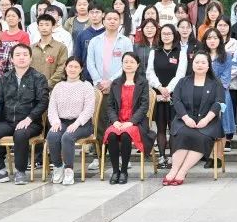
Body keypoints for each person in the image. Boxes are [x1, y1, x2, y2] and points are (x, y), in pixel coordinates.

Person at [0, 44, 50, 185]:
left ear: (30, 58)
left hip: (31, 123)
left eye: (25, 55)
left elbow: (43, 102)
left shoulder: (38, 78)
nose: (21, 57)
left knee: (20, 134)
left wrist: (29, 118)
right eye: (17, 55)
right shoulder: (5, 78)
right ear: (11, 59)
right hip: (8, 121)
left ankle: (20, 172)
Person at [165, 52, 225, 185]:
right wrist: (186, 118)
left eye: (203, 62)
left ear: (208, 66)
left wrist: (206, 119)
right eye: (197, 62)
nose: (200, 65)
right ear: (192, 64)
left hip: (208, 121)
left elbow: (219, 103)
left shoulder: (216, 83)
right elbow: (176, 100)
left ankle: (182, 172)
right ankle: (173, 170)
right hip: (185, 119)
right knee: (182, 134)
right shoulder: (183, 81)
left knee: (201, 137)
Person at [102, 53, 154, 184]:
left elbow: (144, 106)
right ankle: (115, 171)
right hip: (118, 121)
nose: (128, 64)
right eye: (126, 62)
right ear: (122, 64)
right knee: (112, 135)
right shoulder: (116, 83)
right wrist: (115, 121)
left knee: (126, 135)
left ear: (137, 64)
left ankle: (124, 171)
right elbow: (110, 106)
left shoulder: (143, 82)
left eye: (132, 62)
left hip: (136, 122)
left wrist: (131, 122)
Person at [45, 57, 96, 186]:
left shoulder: (86, 86)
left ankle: (69, 170)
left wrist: (76, 123)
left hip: (82, 124)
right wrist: (55, 122)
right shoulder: (58, 86)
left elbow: (89, 109)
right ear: (66, 68)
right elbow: (52, 108)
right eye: (70, 66)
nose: (73, 69)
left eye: (76, 67)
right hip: (62, 122)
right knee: (52, 135)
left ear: (81, 69)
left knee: (67, 137)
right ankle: (58, 167)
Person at [145, 23, 185, 169]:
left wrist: (168, 89)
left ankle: (174, 158)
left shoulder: (181, 53)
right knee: (161, 127)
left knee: (174, 128)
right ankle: (162, 157)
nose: (166, 36)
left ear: (174, 35)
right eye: (164, 34)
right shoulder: (154, 52)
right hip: (158, 95)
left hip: (175, 96)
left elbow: (180, 74)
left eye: (169, 33)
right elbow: (150, 73)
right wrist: (160, 88)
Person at [202, 29, 235, 164]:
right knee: (208, 125)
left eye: (215, 38)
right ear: (205, 40)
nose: (212, 40)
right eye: (209, 38)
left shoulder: (226, 56)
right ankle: (210, 155)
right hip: (203, 92)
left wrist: (213, 91)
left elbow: (226, 79)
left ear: (220, 40)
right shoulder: (201, 56)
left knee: (222, 124)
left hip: (222, 92)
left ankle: (219, 157)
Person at [86, 10, 135, 93]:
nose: (112, 21)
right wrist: (98, 81)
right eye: (109, 19)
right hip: (98, 86)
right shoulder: (94, 41)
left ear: (120, 22)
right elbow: (90, 63)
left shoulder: (126, 42)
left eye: (115, 19)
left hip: (119, 85)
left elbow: (128, 64)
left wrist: (111, 81)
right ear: (103, 22)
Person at [30, 14, 69, 87]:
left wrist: (48, 83)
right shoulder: (31, 48)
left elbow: (62, 68)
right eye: (41, 25)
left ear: (53, 27)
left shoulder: (61, 47)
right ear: (38, 28)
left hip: (54, 88)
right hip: (33, 87)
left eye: (47, 25)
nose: (44, 27)